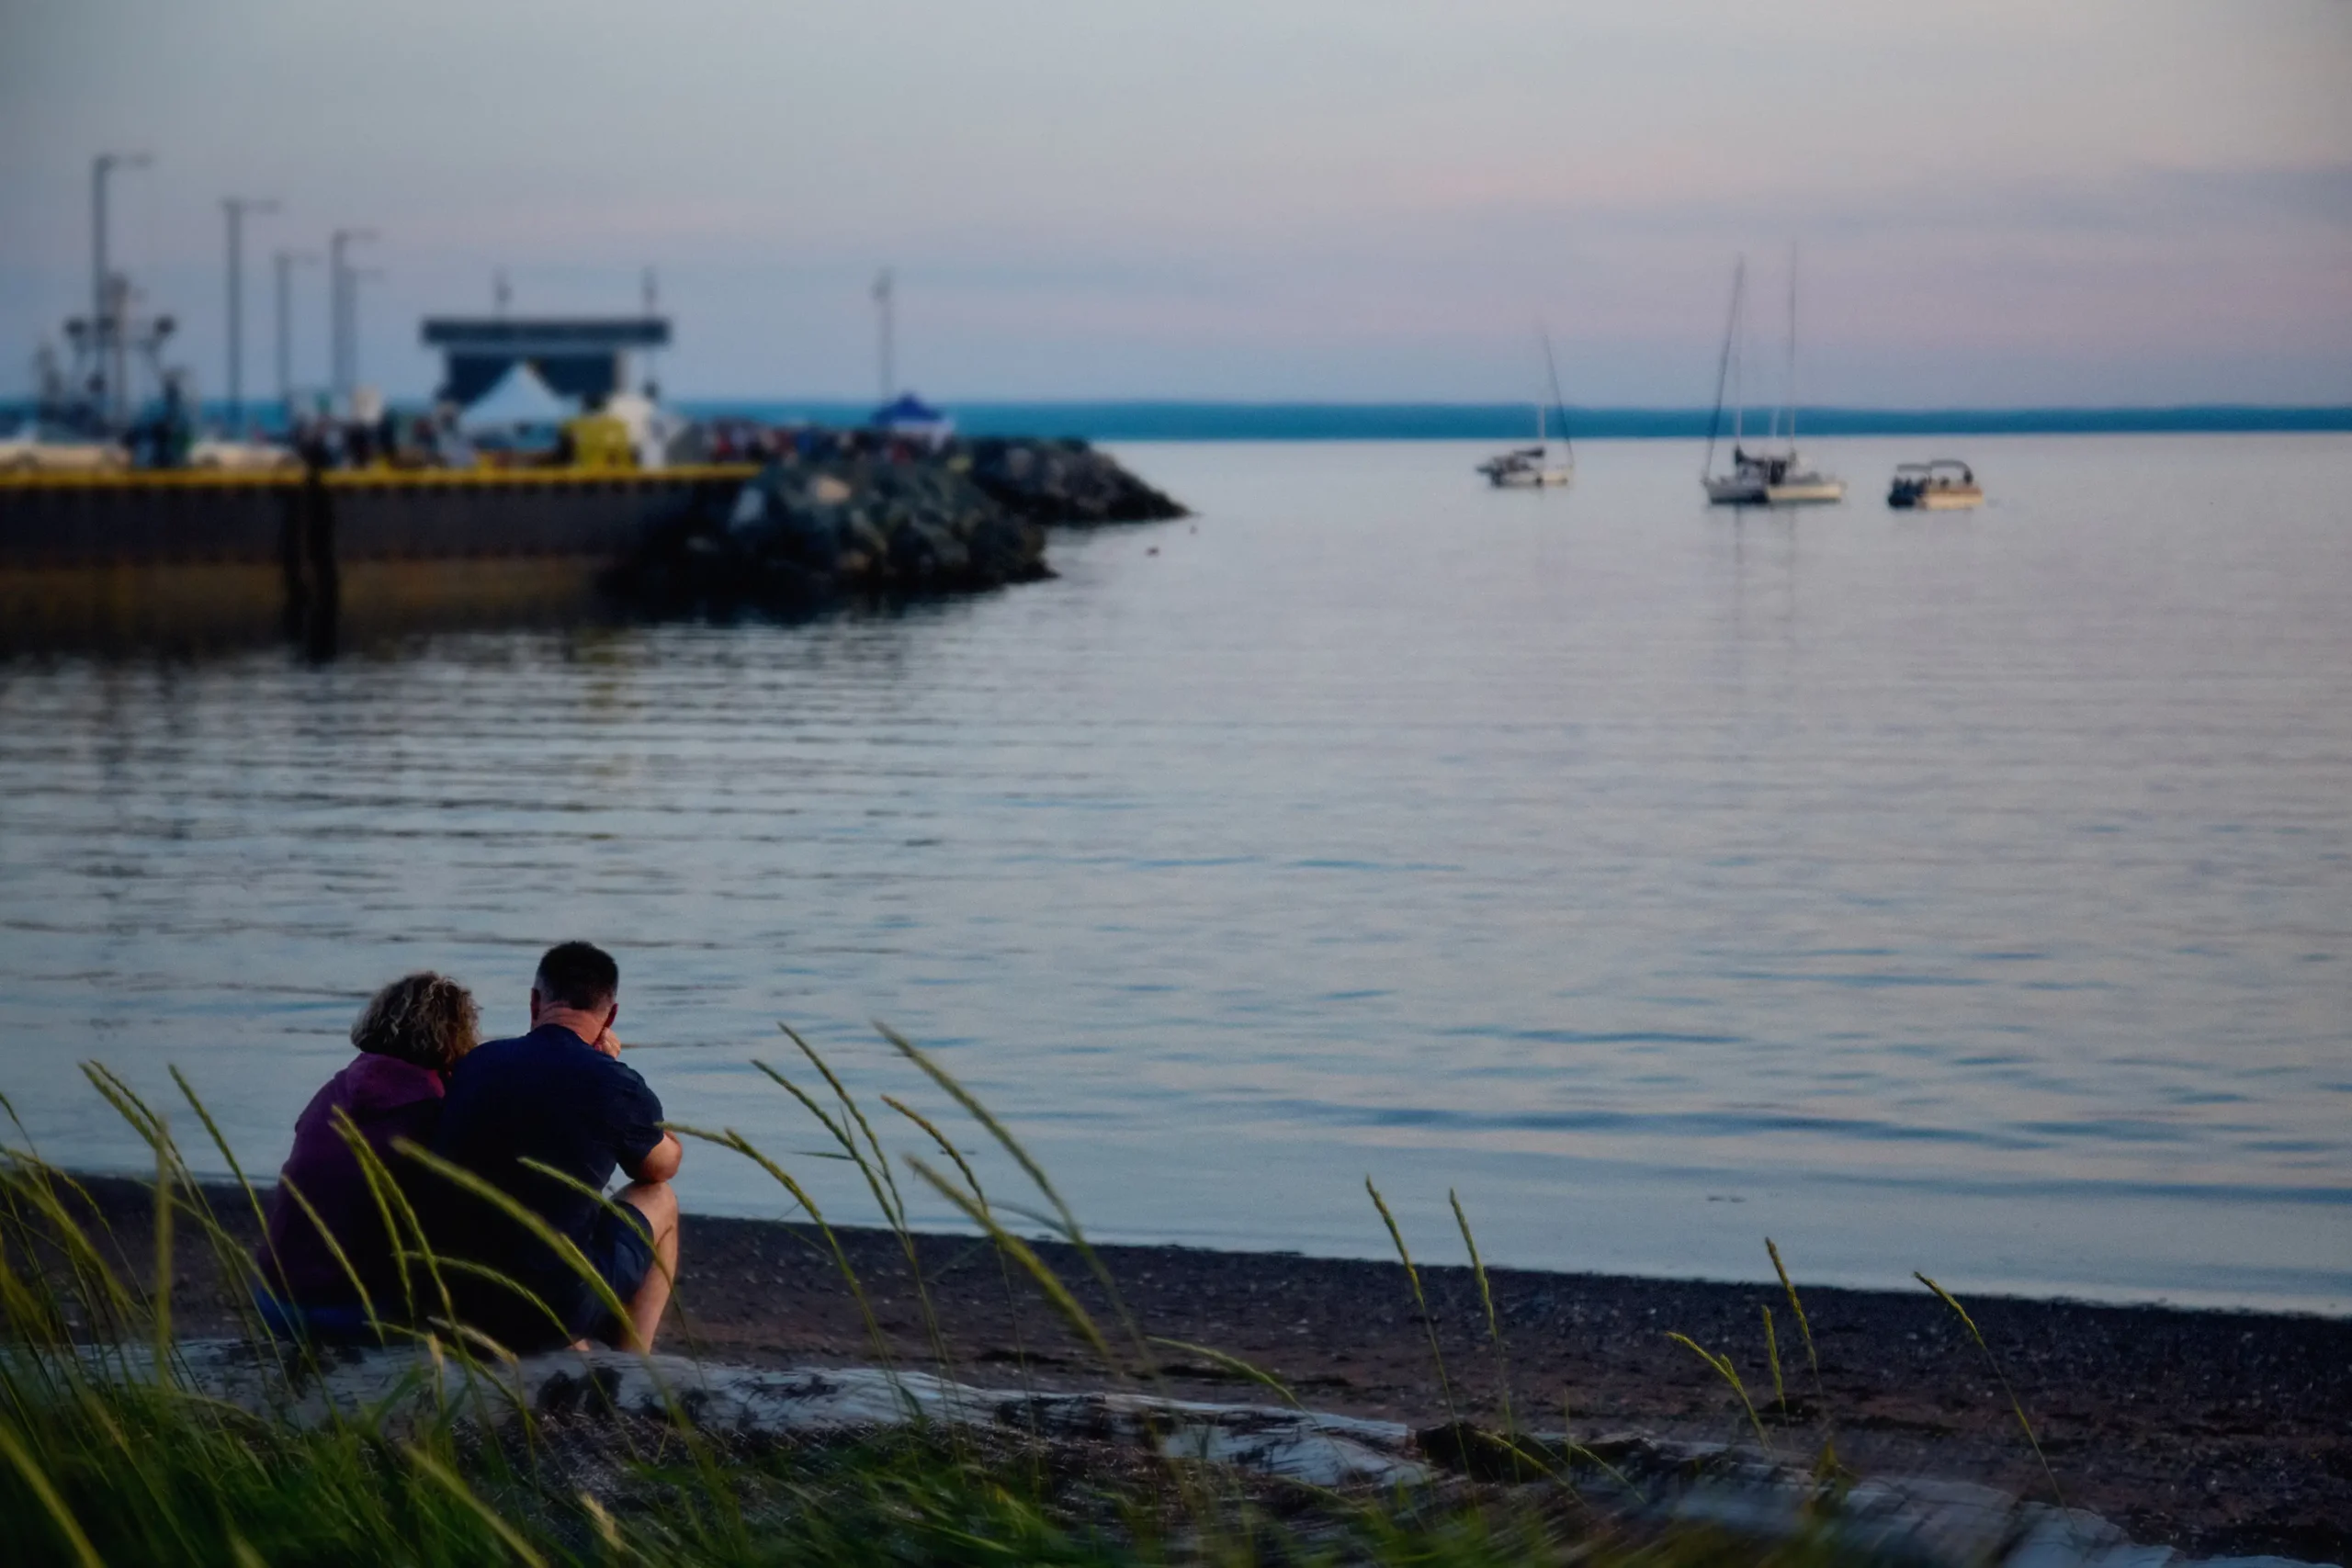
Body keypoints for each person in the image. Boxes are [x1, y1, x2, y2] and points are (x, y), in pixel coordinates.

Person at [427, 942, 682, 1353]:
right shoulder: (614, 1082)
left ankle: (569, 1348)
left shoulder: (475, 1063)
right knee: (660, 1198)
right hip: (549, 1309)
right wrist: (616, 1077)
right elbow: (661, 1166)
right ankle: (632, 1368)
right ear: (611, 1016)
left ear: (534, 1002)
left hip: (451, 1299)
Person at [255, 971, 481, 1340]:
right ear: (456, 1037)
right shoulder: (431, 1114)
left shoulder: (335, 1089)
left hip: (274, 1300)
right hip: (351, 1312)